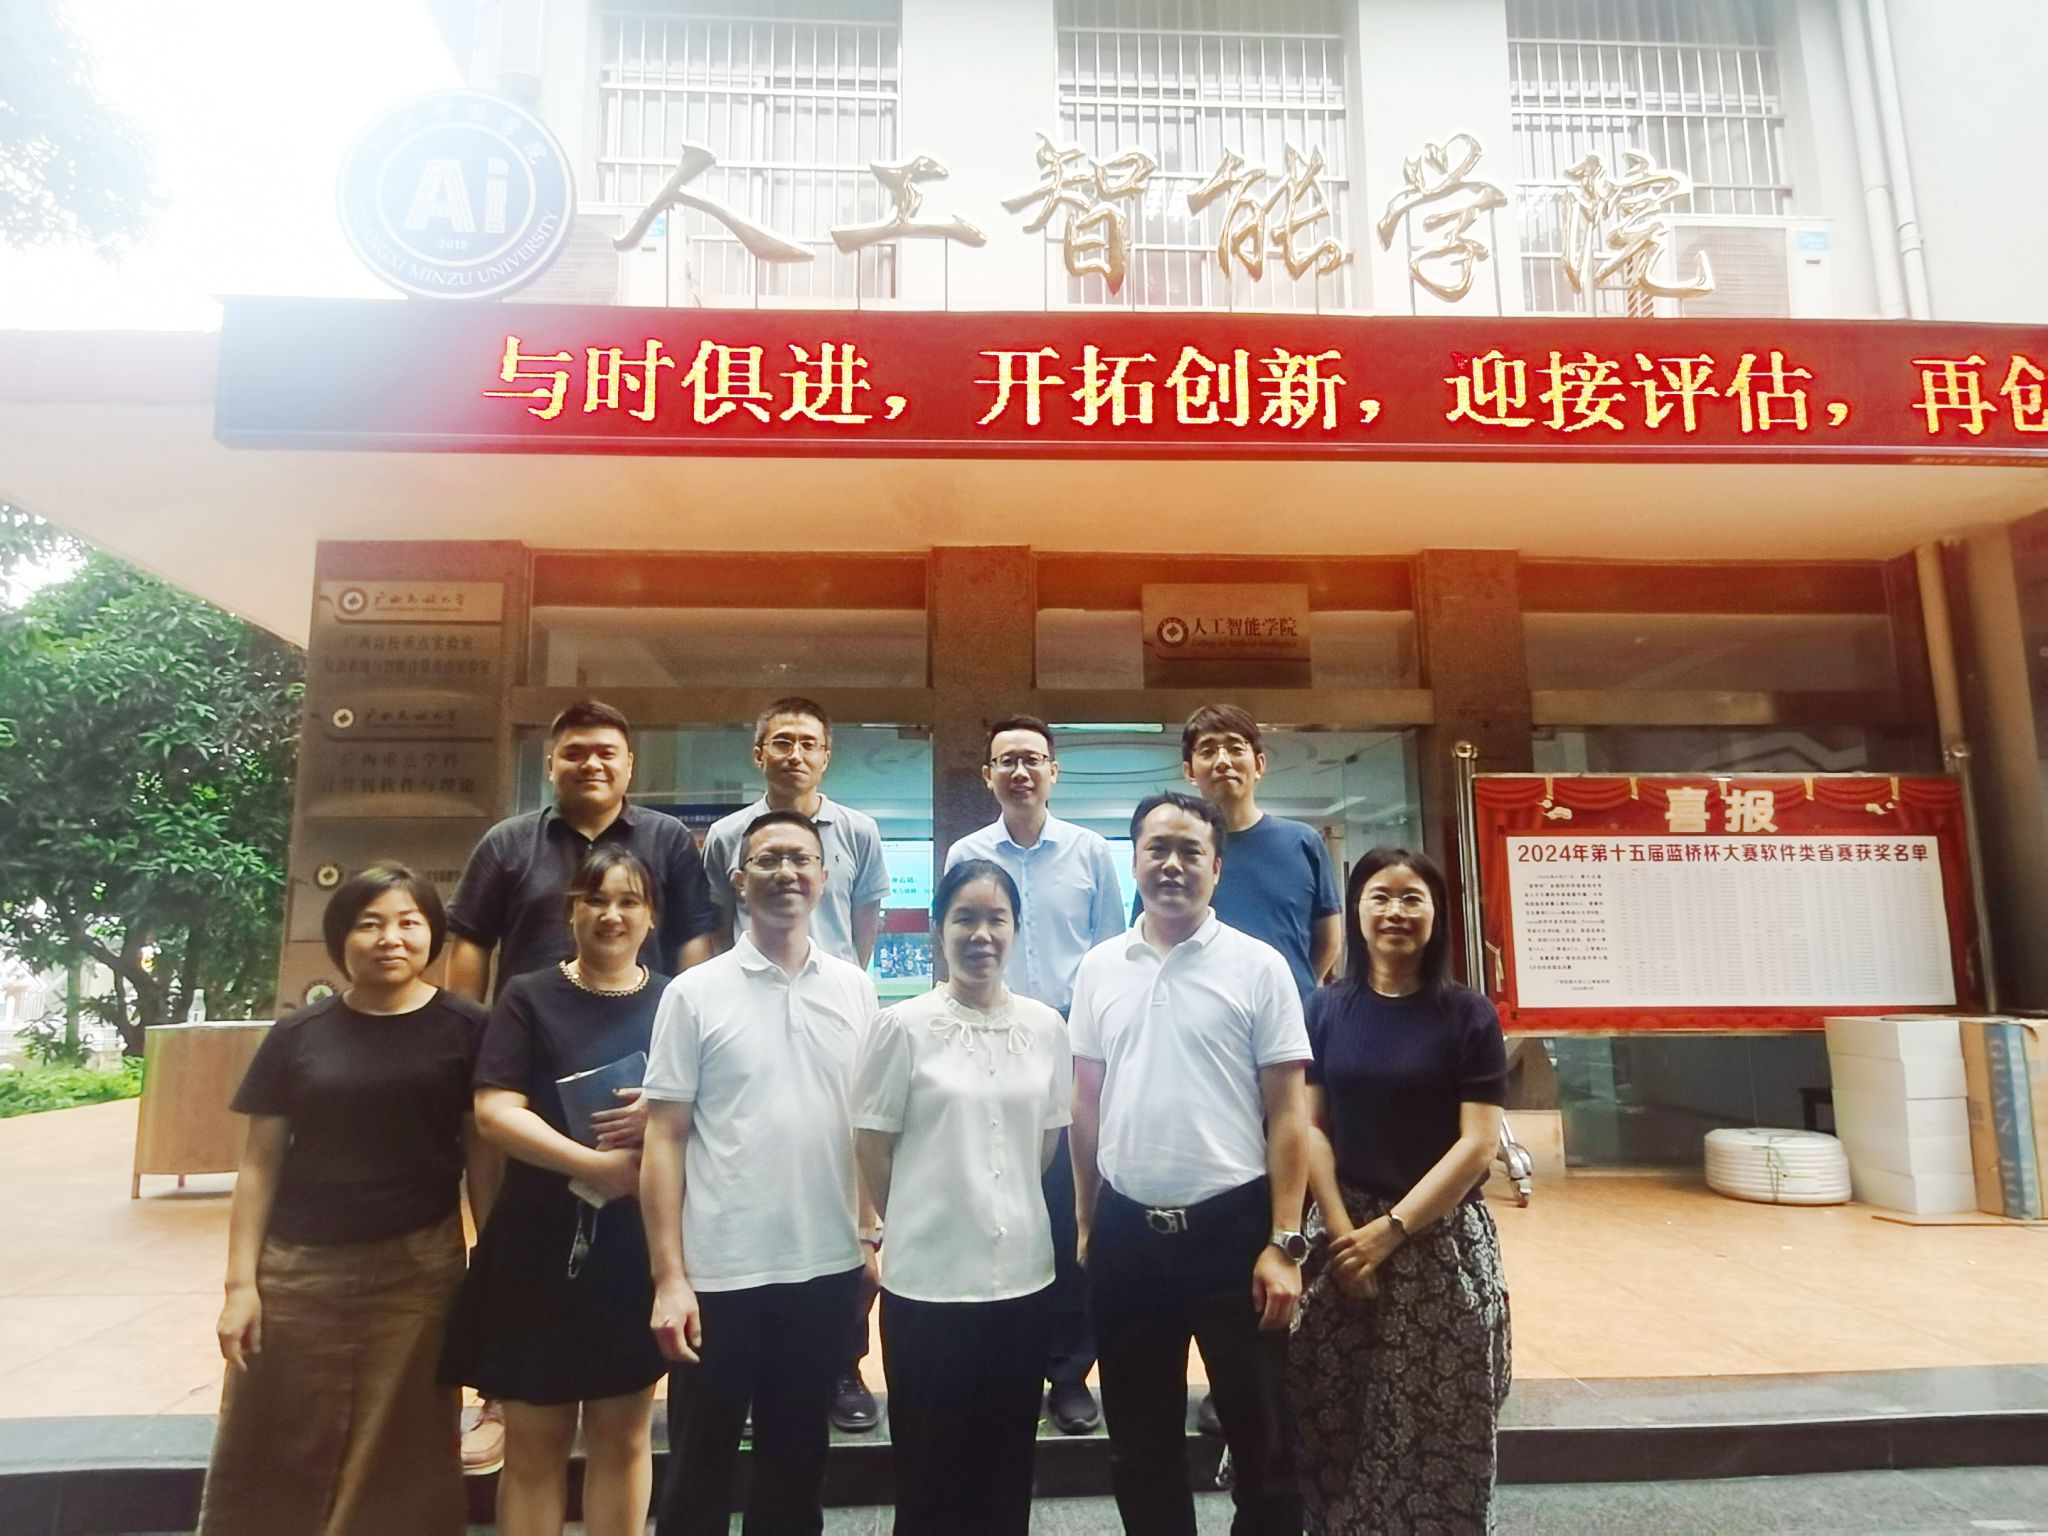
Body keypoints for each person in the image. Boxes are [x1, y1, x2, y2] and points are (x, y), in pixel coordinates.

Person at [446, 697, 717, 1469]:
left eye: (606, 752)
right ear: (551, 764)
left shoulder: (666, 840)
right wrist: (471, 1044)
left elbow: (694, 942)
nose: (591, 764)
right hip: (524, 1059)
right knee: (511, 1230)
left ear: (630, 765)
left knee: (634, 1231)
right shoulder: (508, 843)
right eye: (575, 752)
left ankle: (629, 1373)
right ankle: (502, 1395)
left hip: (636, 1065)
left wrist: (689, 1047)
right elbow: (469, 945)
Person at [199, 865, 497, 1536]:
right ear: (341, 939)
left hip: (419, 1267)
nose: (390, 938)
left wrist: (494, 1263)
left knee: (406, 1438)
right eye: (370, 924)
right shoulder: (298, 1035)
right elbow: (259, 1165)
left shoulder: (467, 1028)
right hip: (298, 1267)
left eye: (408, 922)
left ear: (433, 934)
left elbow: (483, 1155)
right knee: (273, 1426)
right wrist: (240, 1287)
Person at [1071, 792, 1313, 1536]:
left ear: (1216, 867)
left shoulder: (1259, 966)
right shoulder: (1100, 968)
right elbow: (1086, 1102)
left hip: (1235, 1235)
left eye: (1190, 851)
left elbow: (1289, 1113)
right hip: (1128, 1234)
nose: (1171, 864)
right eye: (1157, 848)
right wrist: (1087, 1219)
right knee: (1139, 1447)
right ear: (1134, 860)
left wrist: (1284, 1241)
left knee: (1264, 1444)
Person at [640, 810, 881, 1536]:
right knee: (698, 1470)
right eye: (768, 860)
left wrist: (868, 1233)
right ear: (739, 881)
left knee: (797, 1468)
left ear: (825, 879)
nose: (786, 873)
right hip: (720, 1272)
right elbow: (663, 1139)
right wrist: (669, 1277)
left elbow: (864, 1127)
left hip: (824, 1266)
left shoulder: (855, 989)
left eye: (801, 859)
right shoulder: (694, 993)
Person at [440, 846, 672, 1536]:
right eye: (595, 900)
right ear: (570, 911)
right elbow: (494, 1113)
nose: (611, 915)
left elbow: (714, 1108)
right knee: (535, 1442)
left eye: (628, 901)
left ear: (652, 917)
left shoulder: (678, 1000)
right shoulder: (527, 996)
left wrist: (664, 1111)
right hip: (535, 1242)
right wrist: (591, 1166)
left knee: (622, 1436)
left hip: (635, 1245)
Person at [1285, 848, 1511, 1535]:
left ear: (1436, 915)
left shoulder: (1468, 1015)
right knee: (1329, 1407)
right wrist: (1340, 1232)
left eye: (1413, 898)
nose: (1395, 912)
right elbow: (1311, 1127)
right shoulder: (1327, 1008)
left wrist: (1391, 1232)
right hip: (1344, 1235)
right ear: (1356, 911)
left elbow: (1477, 1144)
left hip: (1439, 1242)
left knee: (1439, 1423)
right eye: (1380, 896)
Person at [852, 859, 1073, 1535]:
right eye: (965, 919)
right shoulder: (903, 1026)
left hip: (1024, 1280)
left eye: (996, 919)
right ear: (938, 930)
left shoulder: (1046, 1027)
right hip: (930, 1287)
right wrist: (926, 1213)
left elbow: (1044, 1146)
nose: (982, 935)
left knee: (1006, 1467)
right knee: (930, 1473)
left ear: (1016, 929)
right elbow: (872, 1144)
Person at [699, 696, 891, 1431]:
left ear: (827, 755)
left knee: (840, 1187)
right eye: (781, 742)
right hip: (749, 1010)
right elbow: (718, 923)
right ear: (759, 755)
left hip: (831, 1010)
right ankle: (749, 1375)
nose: (795, 755)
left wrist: (840, 987)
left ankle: (843, 1366)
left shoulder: (860, 831)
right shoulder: (726, 835)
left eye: (809, 743)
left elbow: (866, 920)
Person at [944, 714, 1123, 1435]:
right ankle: (1000, 1354)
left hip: (1073, 1042)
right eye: (1006, 761)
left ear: (1054, 771)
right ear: (988, 775)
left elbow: (1110, 955)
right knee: (993, 1187)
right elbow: (957, 942)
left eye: (1032, 759)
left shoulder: (1089, 852)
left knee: (1068, 1200)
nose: (1020, 772)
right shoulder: (966, 852)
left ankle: (1069, 1370)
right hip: (992, 1035)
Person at [1176, 704, 1341, 1004]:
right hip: (1200, 1016)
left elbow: (1329, 938)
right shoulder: (1176, 852)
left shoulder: (1303, 842)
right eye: (1208, 751)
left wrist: (1293, 991)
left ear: (1259, 764)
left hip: (1292, 1016)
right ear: (1189, 771)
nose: (1223, 761)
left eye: (1235, 748)